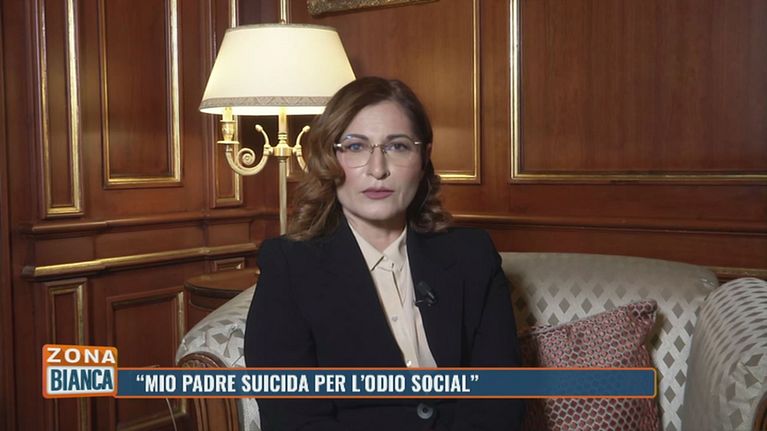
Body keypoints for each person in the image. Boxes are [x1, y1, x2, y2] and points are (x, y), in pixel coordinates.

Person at [245, 77, 524, 430]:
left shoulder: (473, 255)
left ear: (424, 157)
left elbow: (499, 400)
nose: (378, 169)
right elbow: (294, 420)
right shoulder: (288, 266)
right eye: (355, 147)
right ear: (329, 159)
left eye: (397, 146)